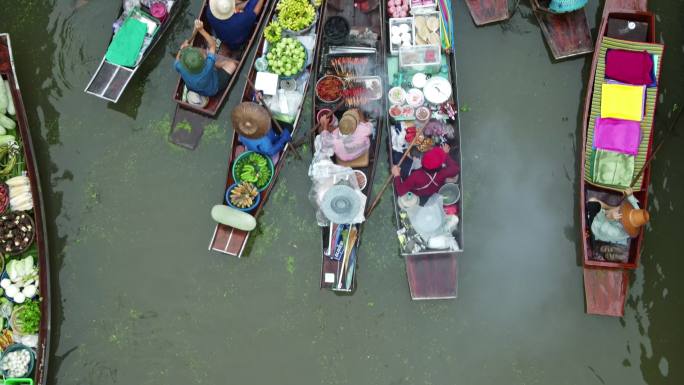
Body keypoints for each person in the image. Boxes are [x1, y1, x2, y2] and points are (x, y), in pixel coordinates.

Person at [175, 20, 238, 97]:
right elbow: (213, 45)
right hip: (213, 88)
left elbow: (177, 59)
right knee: (232, 65)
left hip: (195, 87)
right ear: (203, 62)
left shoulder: (179, 66)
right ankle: (216, 64)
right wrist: (201, 30)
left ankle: (214, 62)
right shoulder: (207, 67)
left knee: (207, 55)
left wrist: (181, 49)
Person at [392, 144, 459, 197]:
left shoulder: (416, 176)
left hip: (417, 190)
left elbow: (400, 192)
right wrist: (445, 154)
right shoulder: (443, 172)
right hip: (430, 190)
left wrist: (397, 175)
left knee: (396, 156)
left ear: (422, 161)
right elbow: (456, 168)